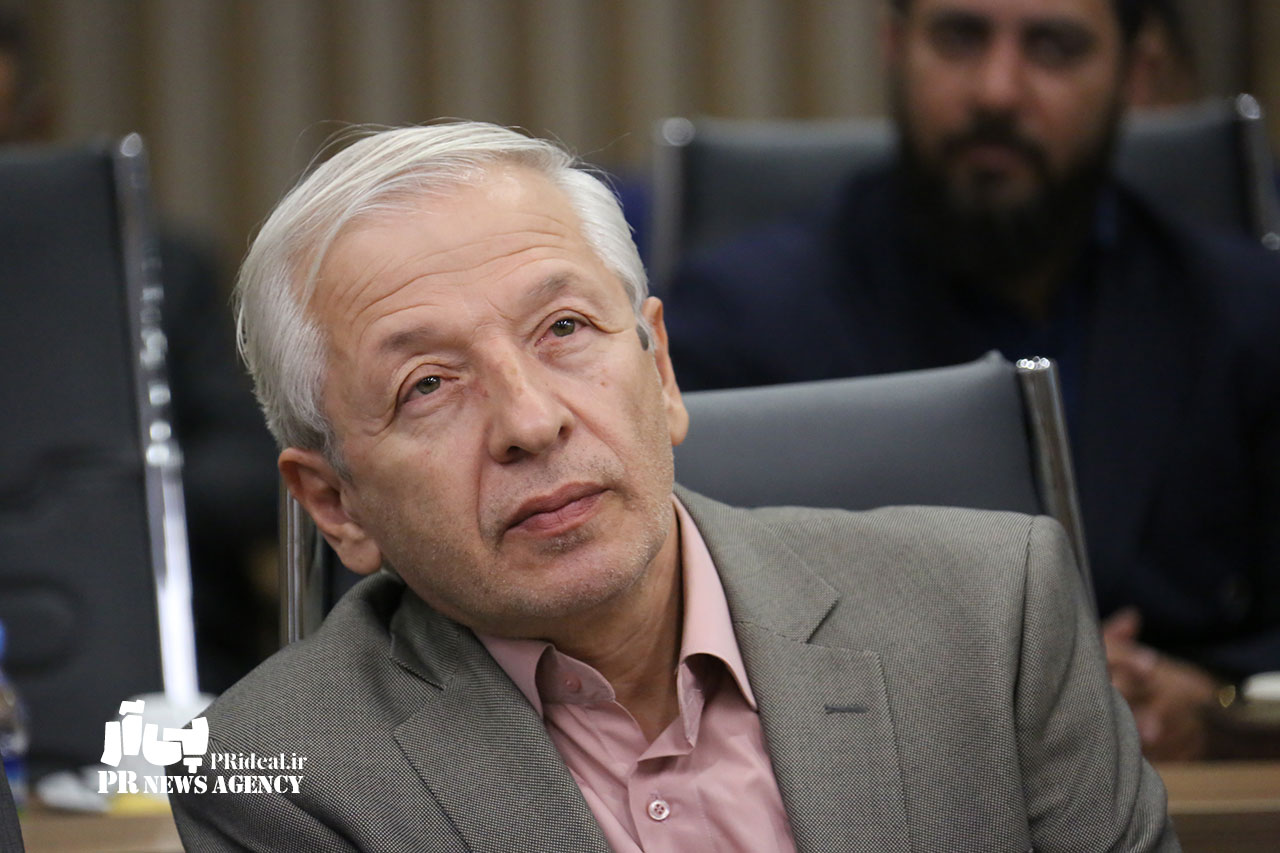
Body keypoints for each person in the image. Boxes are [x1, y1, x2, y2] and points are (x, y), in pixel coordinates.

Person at [168, 121, 1176, 851]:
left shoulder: (993, 617)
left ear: (659, 373)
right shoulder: (280, 775)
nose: (531, 421)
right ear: (335, 504)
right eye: (427, 384)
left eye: (564, 328)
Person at [665, 0, 1280, 761]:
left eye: (1053, 47)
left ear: (1137, 75)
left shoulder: (1249, 315)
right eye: (960, 37)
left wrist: (1210, 695)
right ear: (896, 47)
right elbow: (678, 623)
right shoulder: (739, 318)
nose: (996, 90)